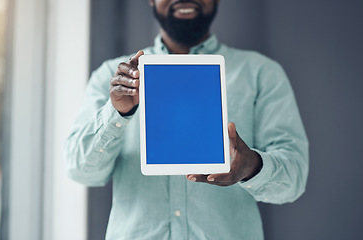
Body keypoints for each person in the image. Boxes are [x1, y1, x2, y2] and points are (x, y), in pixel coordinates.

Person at [65, 0, 309, 239]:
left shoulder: (262, 73)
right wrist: (117, 113)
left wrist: (252, 167)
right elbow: (80, 171)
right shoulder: (112, 77)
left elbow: (294, 179)